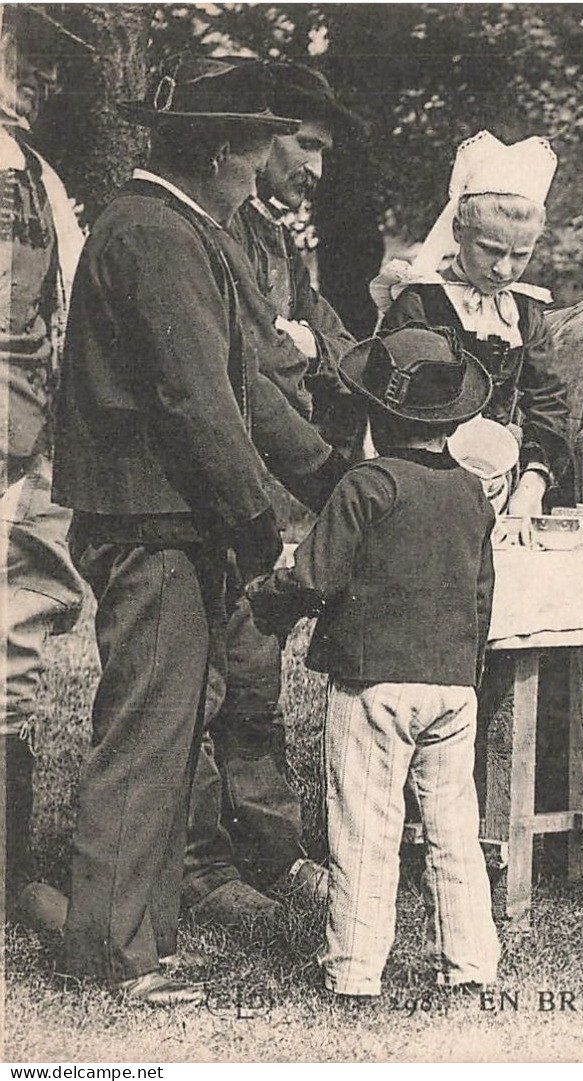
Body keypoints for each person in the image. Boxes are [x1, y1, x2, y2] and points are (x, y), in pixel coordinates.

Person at [51, 54, 346, 1006]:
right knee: (147, 733)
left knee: (171, 730)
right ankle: (116, 956)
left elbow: (255, 386)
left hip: (174, 520)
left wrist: (339, 479)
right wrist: (264, 532)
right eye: (261, 148)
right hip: (149, 523)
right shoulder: (156, 234)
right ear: (221, 152)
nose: (267, 167)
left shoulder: (185, 229)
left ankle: (136, 933)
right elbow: (197, 405)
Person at [245, 325, 501, 999]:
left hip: (373, 684)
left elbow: (315, 577)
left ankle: (355, 972)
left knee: (364, 829)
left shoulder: (366, 485)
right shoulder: (473, 495)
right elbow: (481, 596)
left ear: (372, 417)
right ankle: (470, 964)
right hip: (452, 687)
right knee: (453, 831)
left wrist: (263, 601)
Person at [182, 59, 365, 927]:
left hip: (275, 475)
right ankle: (198, 866)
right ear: (252, 139)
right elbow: (253, 364)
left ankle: (268, 849)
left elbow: (321, 338)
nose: (314, 168)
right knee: (202, 676)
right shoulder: (213, 229)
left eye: (325, 151)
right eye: (301, 143)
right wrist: (297, 356)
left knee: (253, 676)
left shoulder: (282, 236)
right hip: (217, 479)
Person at [0, 5, 86, 930]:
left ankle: (9, 870)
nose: (27, 80)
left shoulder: (40, 178)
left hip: (32, 451)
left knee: (15, 646)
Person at [374, 130, 571, 515]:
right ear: (458, 232)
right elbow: (391, 411)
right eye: (491, 250)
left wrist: (531, 485)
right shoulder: (420, 304)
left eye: (520, 255)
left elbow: (548, 403)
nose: (503, 269)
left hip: (504, 484)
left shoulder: (524, 314)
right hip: (423, 486)